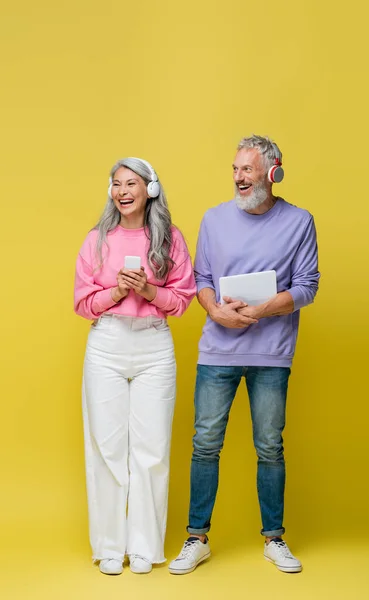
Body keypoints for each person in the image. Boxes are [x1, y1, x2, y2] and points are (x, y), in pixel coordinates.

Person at [169, 135, 320, 575]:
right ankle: (196, 538)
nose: (238, 177)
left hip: (272, 353)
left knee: (270, 446)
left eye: (247, 169)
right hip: (217, 350)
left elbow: (307, 285)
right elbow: (202, 276)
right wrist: (215, 308)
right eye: (235, 169)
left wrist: (261, 309)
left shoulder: (299, 221)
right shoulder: (214, 219)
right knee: (205, 444)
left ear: (272, 172)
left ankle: (275, 539)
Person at [74, 157, 196, 575]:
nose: (122, 191)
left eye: (131, 183)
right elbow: (81, 302)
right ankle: (110, 546)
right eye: (116, 184)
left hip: (154, 347)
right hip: (106, 343)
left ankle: (145, 547)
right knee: (107, 448)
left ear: (150, 190)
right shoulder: (97, 240)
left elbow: (182, 300)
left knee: (152, 449)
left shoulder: (171, 239)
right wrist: (113, 293)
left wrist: (148, 290)